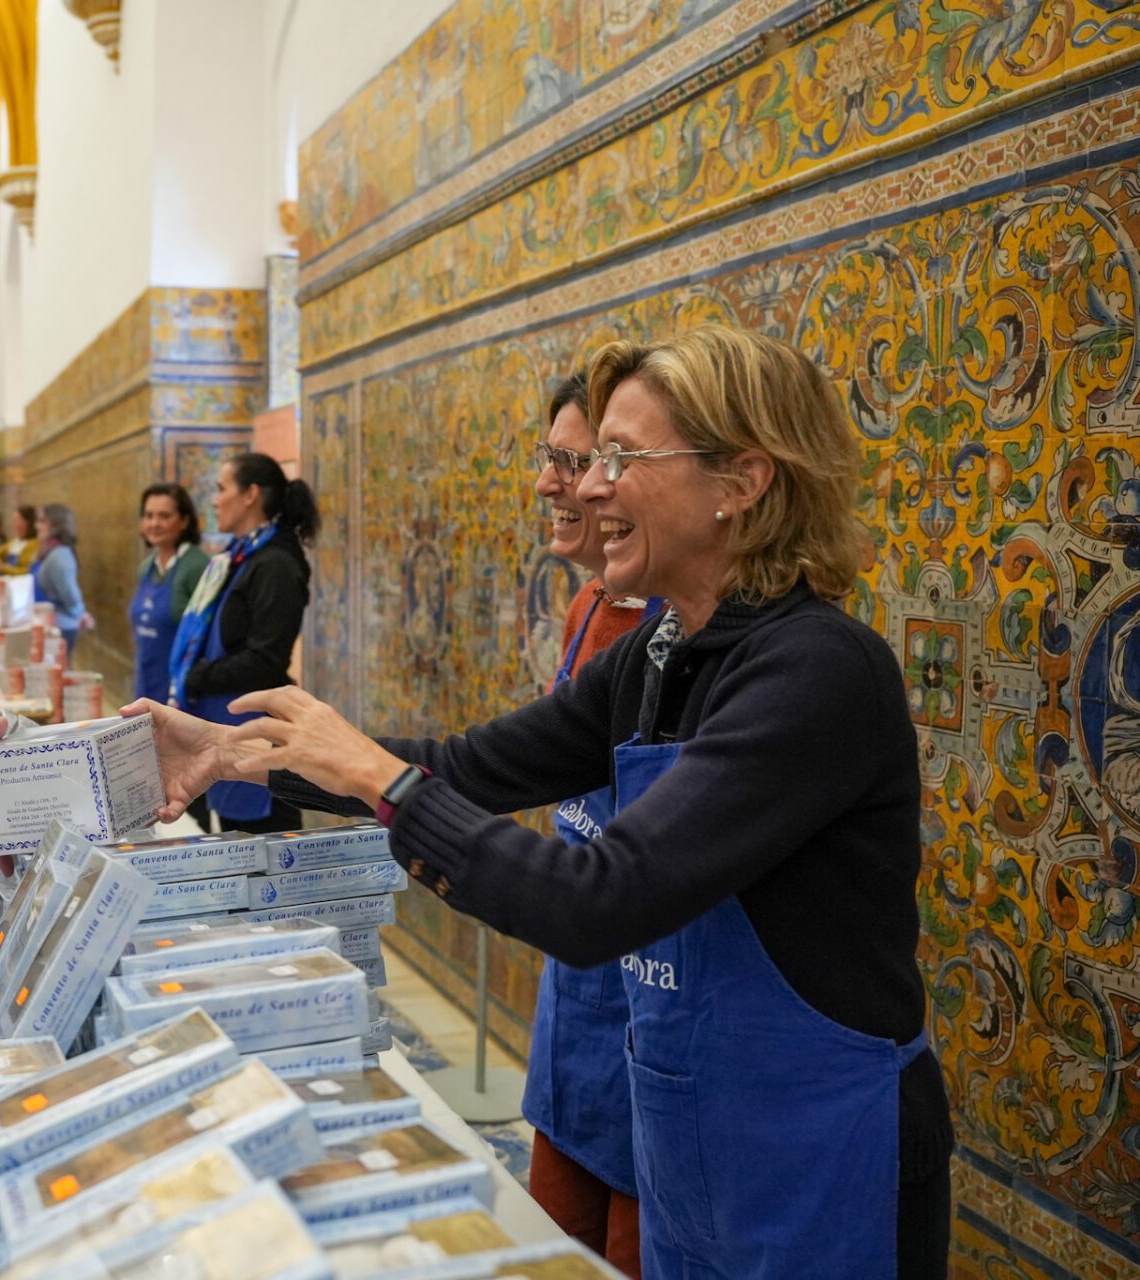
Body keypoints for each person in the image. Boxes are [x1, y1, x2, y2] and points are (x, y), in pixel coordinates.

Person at [129, 327, 953, 1279]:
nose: (590, 487)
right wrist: (234, 755)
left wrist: (379, 780)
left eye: (622, 458)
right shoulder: (653, 657)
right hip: (693, 1141)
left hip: (821, 1155)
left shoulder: (817, 671)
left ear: (742, 481)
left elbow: (599, 898)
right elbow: (469, 766)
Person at [519, 370, 659, 1275]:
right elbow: (492, 761)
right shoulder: (585, 608)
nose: (557, 484)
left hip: (652, 994)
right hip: (577, 984)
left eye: (581, 461)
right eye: (560, 459)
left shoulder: (704, 646)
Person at [167, 452, 319, 835]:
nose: (215, 501)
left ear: (250, 494)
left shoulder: (276, 564)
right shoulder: (238, 557)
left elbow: (266, 659)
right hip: (226, 717)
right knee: (232, 836)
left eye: (221, 489)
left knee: (267, 843)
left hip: (257, 728)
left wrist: (198, 677)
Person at [130, 483, 209, 704]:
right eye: (149, 516)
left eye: (164, 516)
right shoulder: (147, 567)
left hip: (182, 691)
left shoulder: (197, 567)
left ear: (184, 521)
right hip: (147, 680)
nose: (154, 523)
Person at [31, 504, 93, 658]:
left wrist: (81, 614)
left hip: (60, 627)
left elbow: (70, 595)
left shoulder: (60, 556)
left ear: (56, 525)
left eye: (42, 521)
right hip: (49, 624)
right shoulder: (48, 552)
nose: (36, 526)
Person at [0, 503, 37, 575]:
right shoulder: (15, 542)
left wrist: (3, 567)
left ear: (27, 523)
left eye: (17, 520)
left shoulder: (34, 544)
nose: (13, 524)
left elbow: (27, 571)